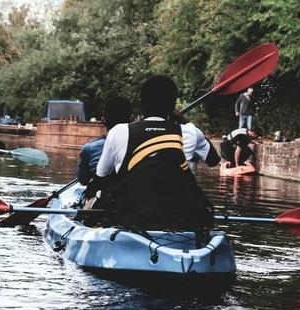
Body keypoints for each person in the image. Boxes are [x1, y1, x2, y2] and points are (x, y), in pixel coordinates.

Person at [85, 75, 219, 233]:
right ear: (173, 105)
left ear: (141, 103)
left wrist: (90, 198)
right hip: (179, 217)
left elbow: (100, 178)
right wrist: (182, 119)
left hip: (130, 215)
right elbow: (213, 160)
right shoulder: (189, 131)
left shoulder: (119, 131)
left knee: (96, 193)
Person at [76, 96, 132, 185]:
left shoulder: (90, 148)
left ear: (104, 120)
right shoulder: (141, 144)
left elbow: (83, 179)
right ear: (131, 119)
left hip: (104, 192)